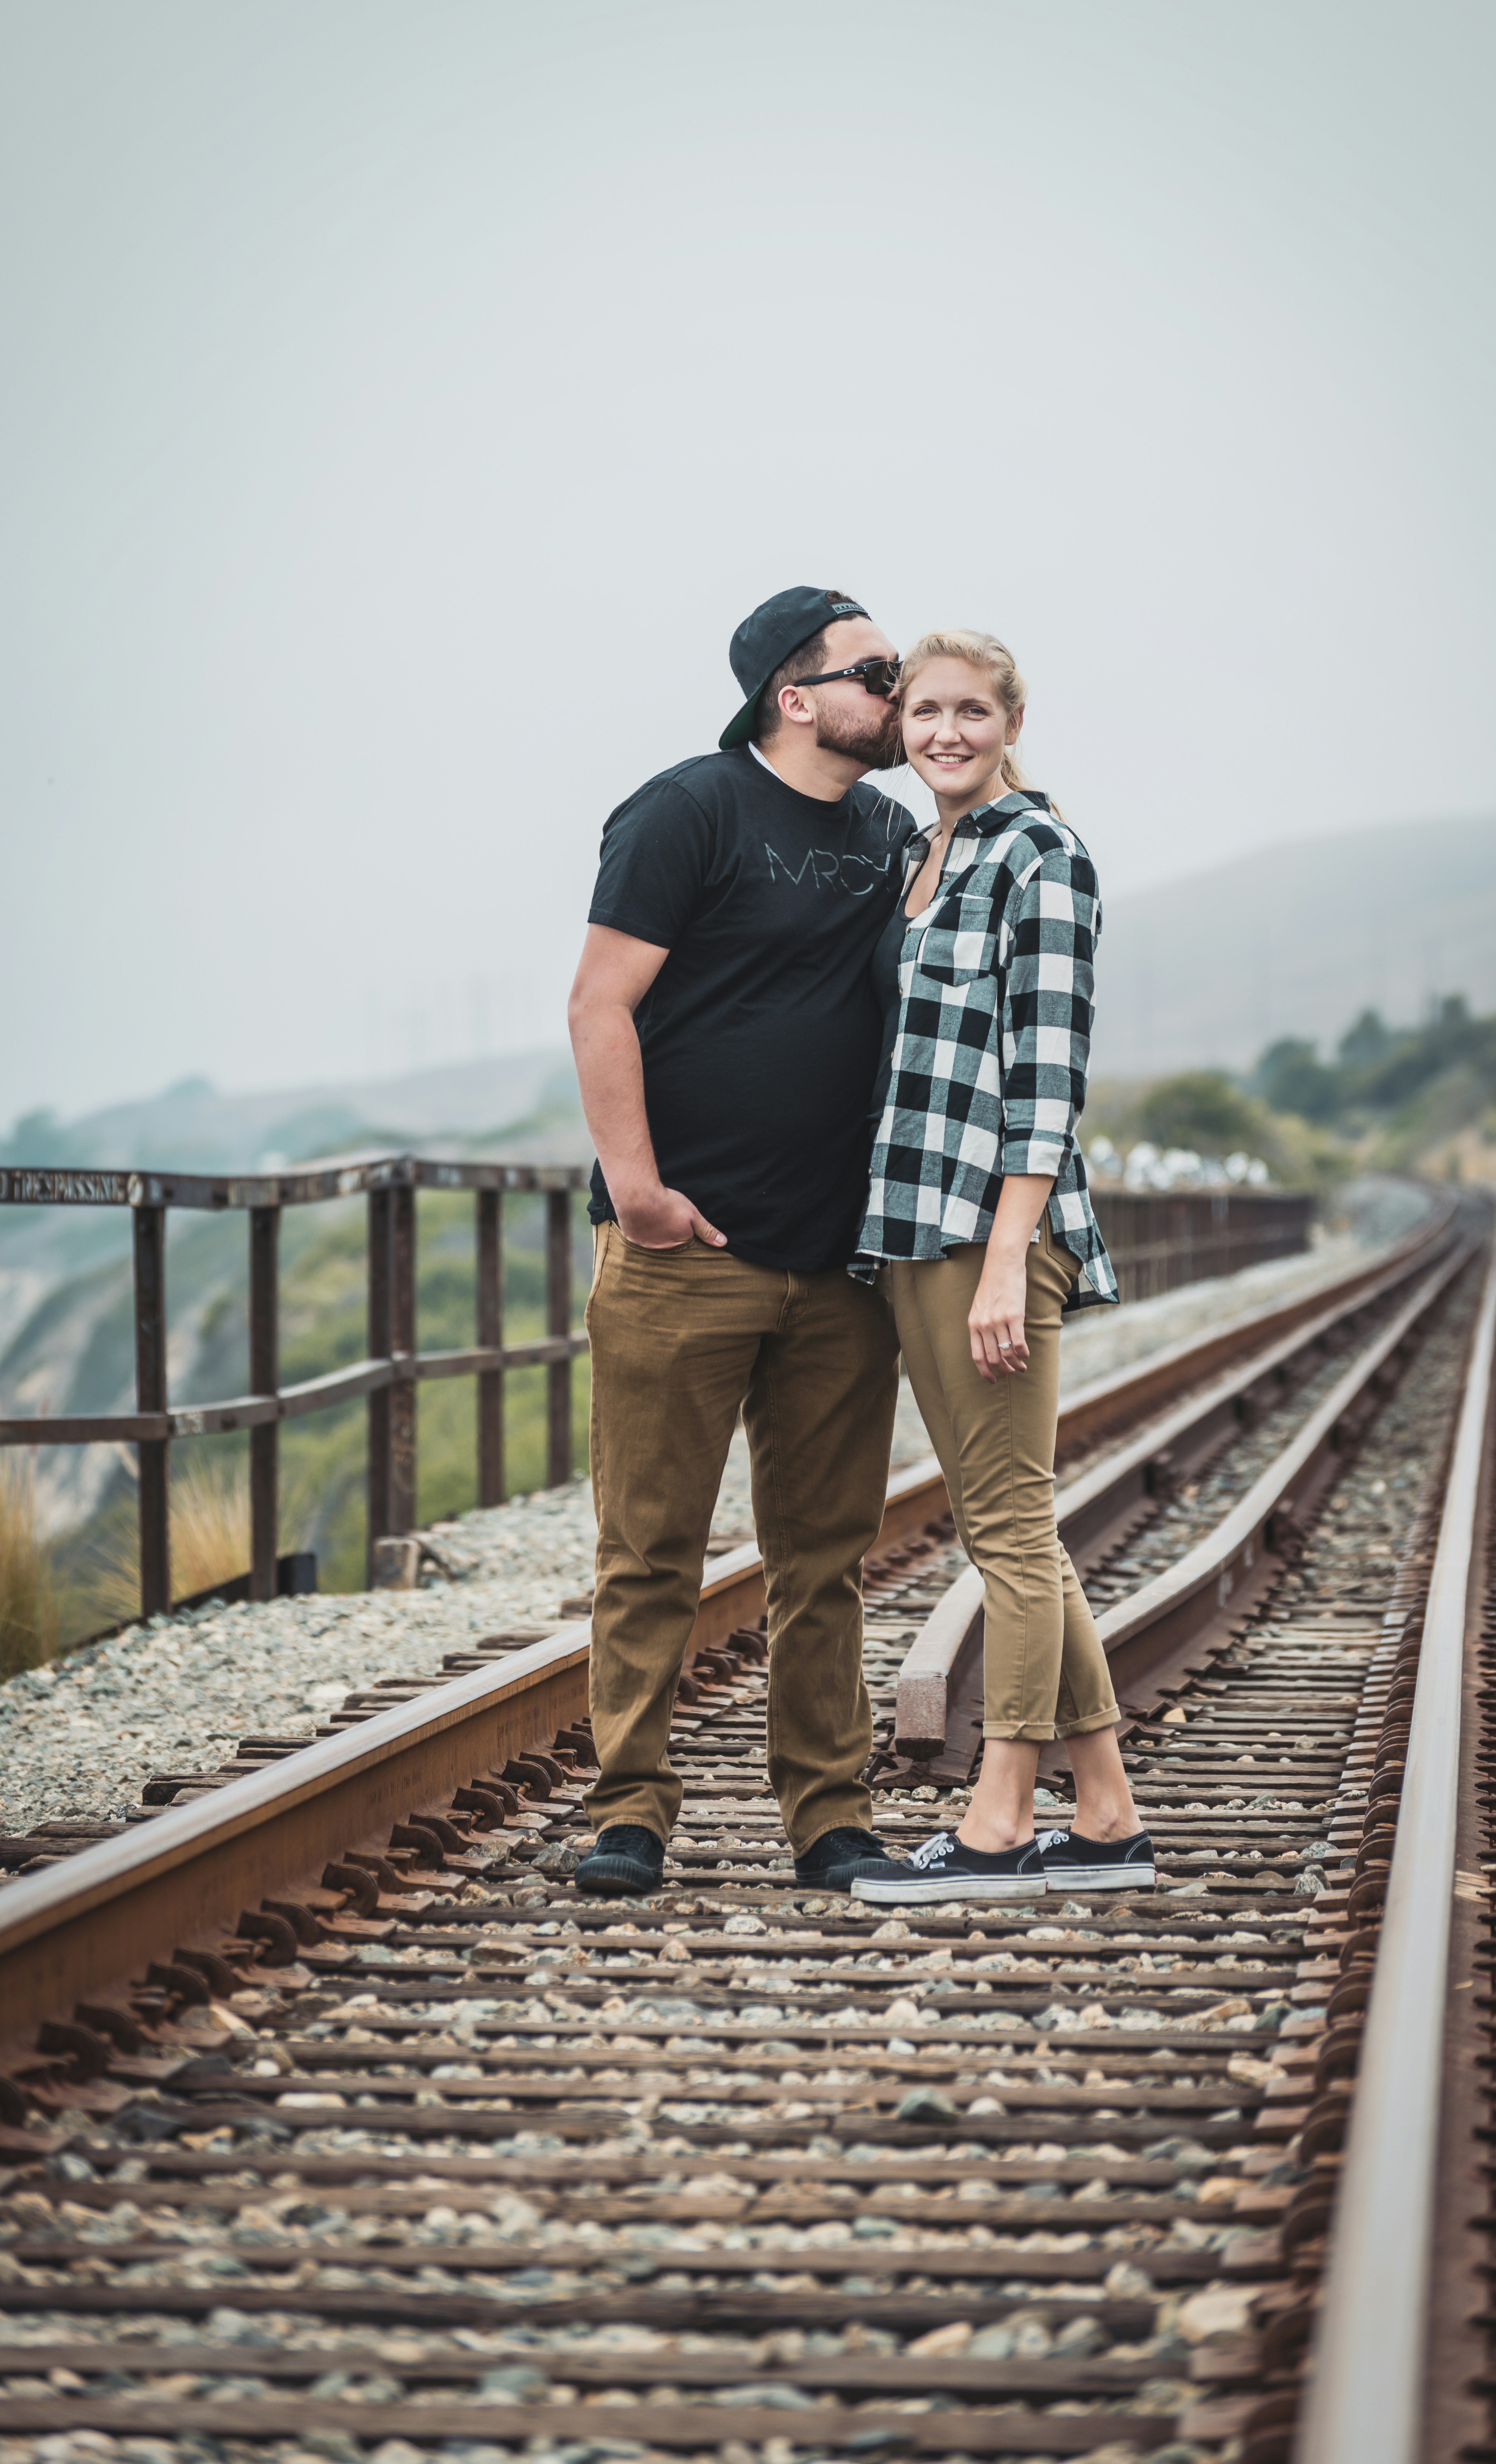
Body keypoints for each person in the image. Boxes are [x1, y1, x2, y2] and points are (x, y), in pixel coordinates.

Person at [566, 586, 916, 1900]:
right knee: (651, 1548)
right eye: (874, 672)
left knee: (822, 1560)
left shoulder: (890, 832)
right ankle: (629, 1815)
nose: (893, 690)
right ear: (793, 693)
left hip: (838, 1264)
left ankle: (830, 1816)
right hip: (682, 1251)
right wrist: (640, 1189)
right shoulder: (687, 809)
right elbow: (600, 1005)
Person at [846, 630, 1153, 1904]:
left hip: (988, 1230)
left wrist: (1004, 1258)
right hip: (913, 1222)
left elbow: (1047, 1078)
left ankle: (997, 1819)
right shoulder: (928, 853)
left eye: (971, 711)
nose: (946, 733)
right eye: (924, 711)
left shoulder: (1041, 851)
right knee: (1006, 1525)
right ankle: (1105, 1812)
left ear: (1011, 717)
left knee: (1011, 1533)